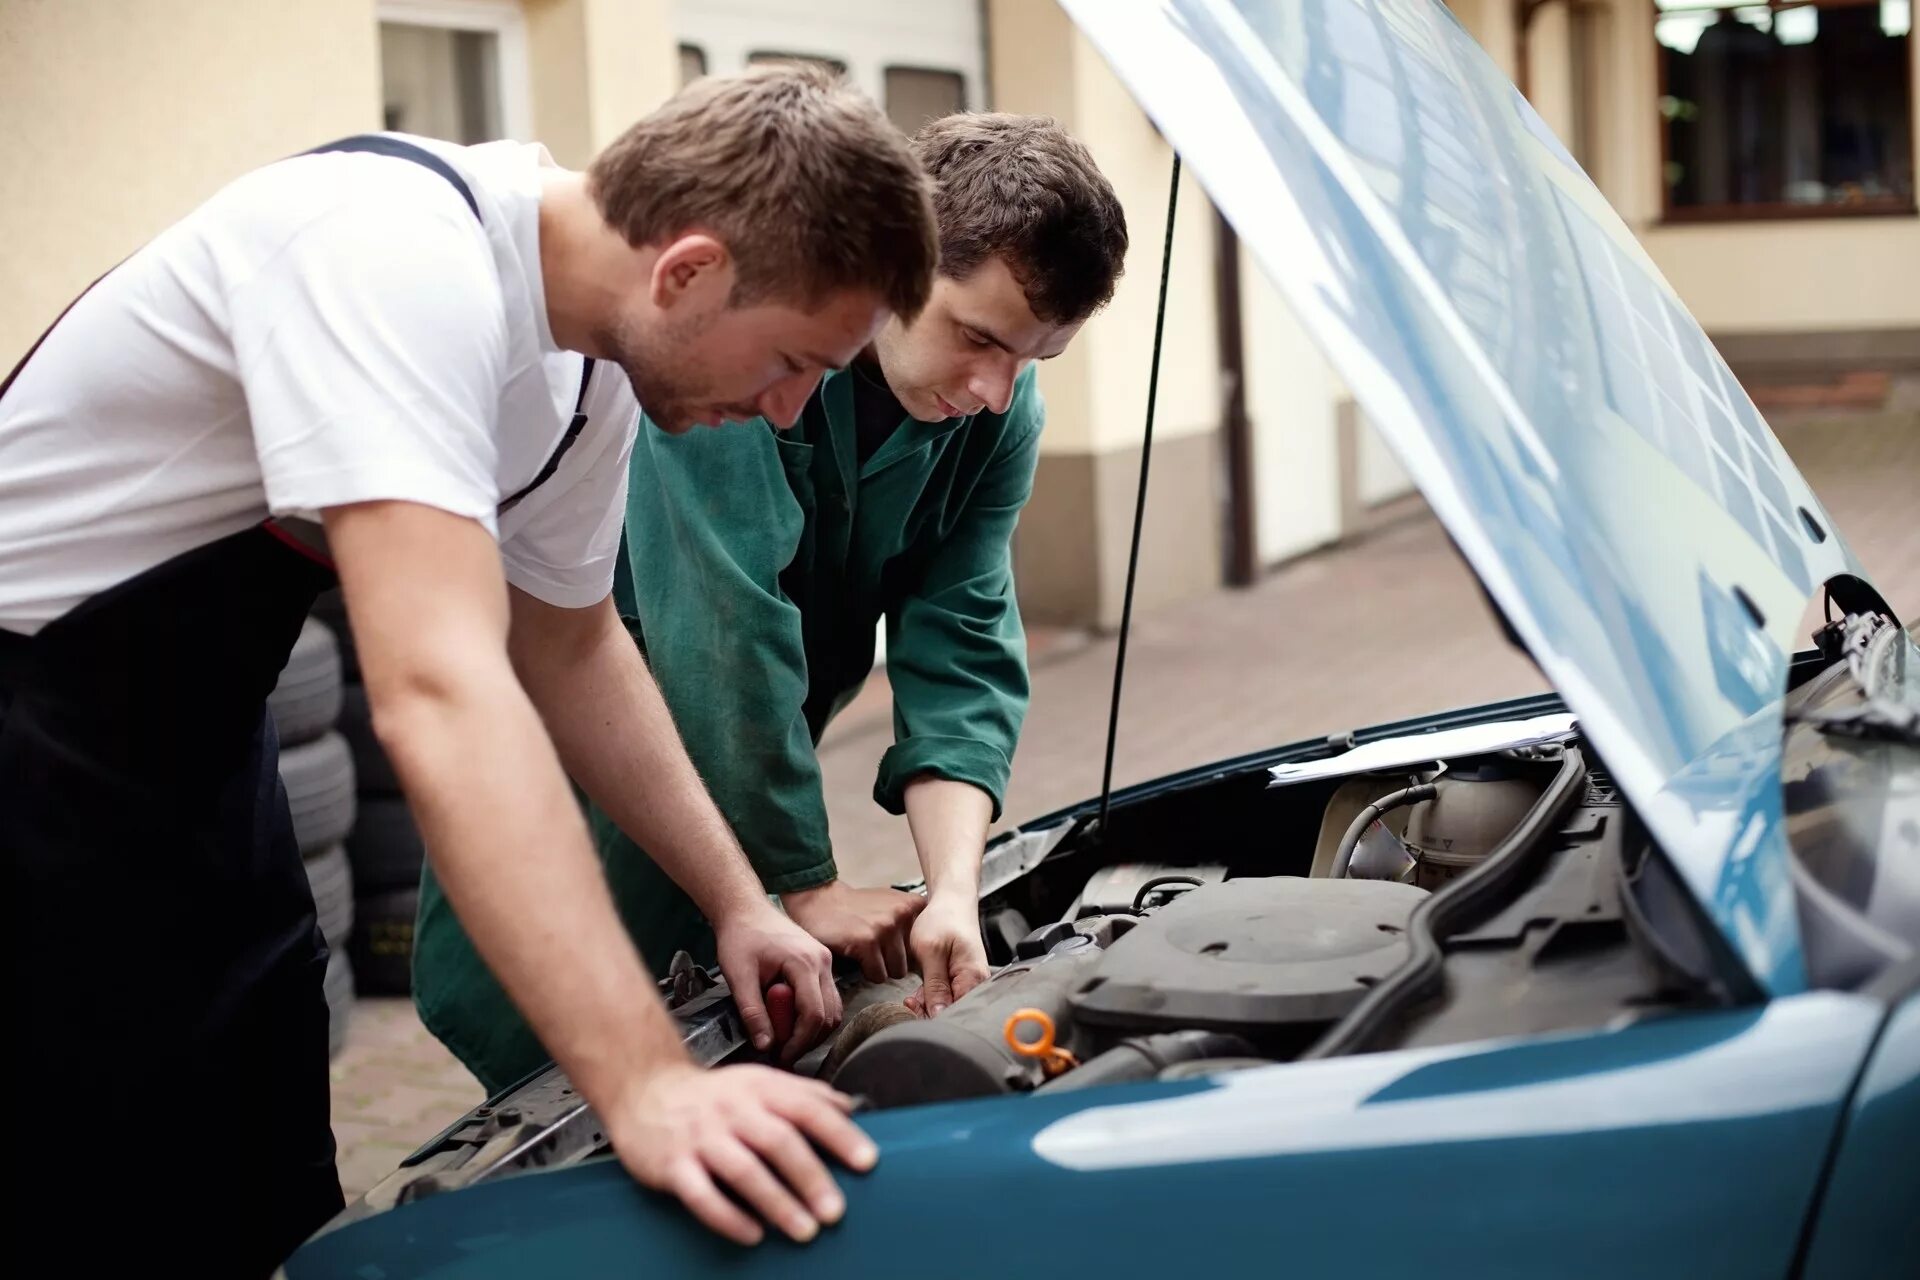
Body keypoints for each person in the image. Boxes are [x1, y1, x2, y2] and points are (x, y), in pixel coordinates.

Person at [0, 66, 937, 1273]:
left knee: (267, 1151)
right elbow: (441, 692)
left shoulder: (587, 372)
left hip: (196, 743)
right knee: (83, 1181)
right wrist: (645, 1081)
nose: (789, 409)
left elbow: (573, 646)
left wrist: (738, 899)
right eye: (796, 358)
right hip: (29, 733)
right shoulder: (390, 252)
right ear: (690, 269)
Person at [415, 112, 1128, 1092]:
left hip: (746, 777)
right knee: (557, 1070)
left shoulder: (993, 416)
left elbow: (960, 639)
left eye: (1031, 360)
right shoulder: (747, 351)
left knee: (717, 1028)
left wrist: (953, 892)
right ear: (903, 262)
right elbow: (724, 626)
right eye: (979, 337)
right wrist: (806, 880)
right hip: (594, 758)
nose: (997, 390)